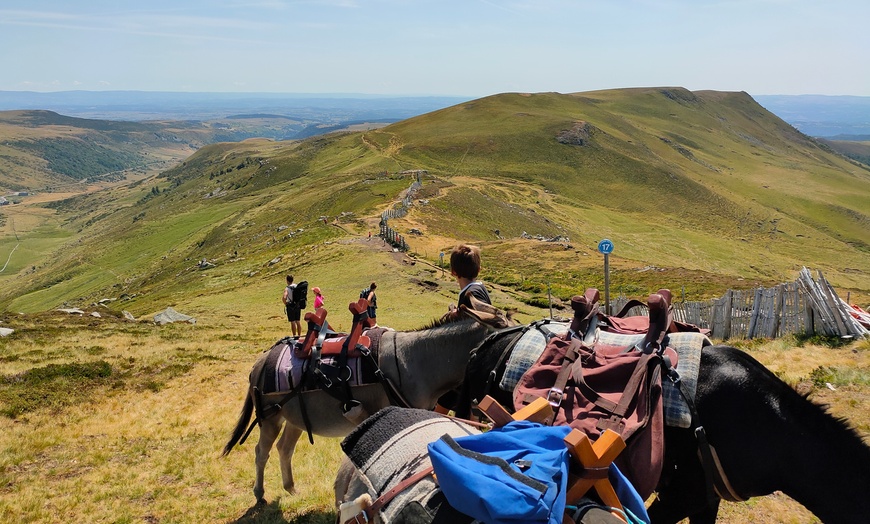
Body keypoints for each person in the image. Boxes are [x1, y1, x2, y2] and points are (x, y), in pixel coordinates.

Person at [449, 243, 491, 316]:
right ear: (479, 270)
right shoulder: (479, 288)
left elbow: (479, 321)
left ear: (453, 272)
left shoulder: (471, 294)